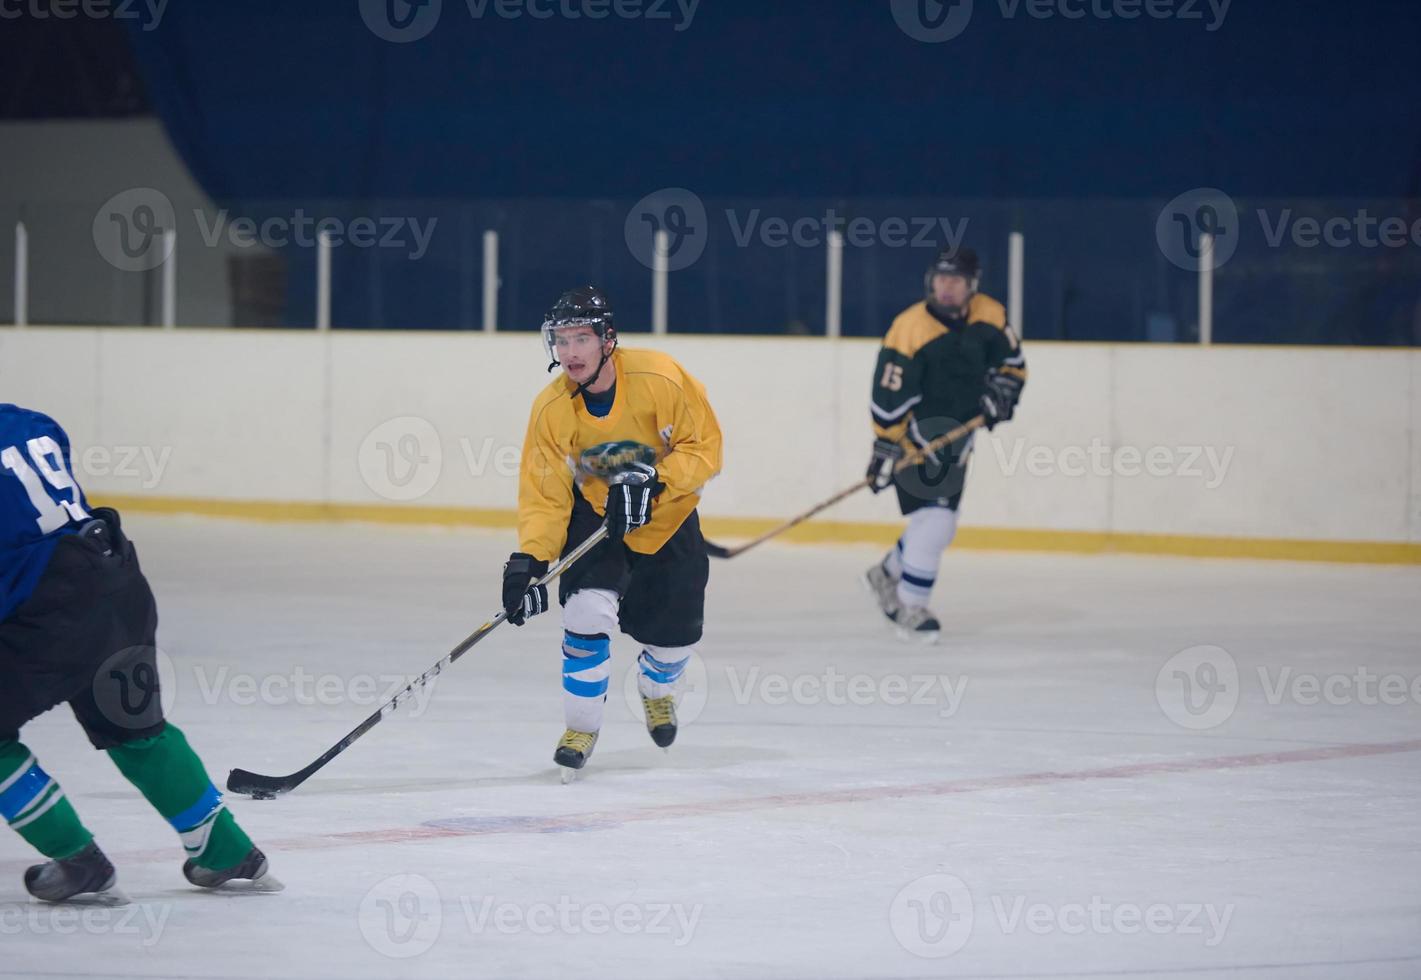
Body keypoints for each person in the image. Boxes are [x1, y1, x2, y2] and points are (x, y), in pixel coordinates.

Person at [0, 403, 278, 903]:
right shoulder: (29, 421)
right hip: (113, 579)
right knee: (136, 732)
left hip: (47, 612)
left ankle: (77, 860)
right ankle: (228, 851)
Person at [501, 286, 723, 777]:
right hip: (597, 518)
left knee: (676, 641)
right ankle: (581, 727)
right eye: (561, 340)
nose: (570, 352)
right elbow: (545, 494)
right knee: (584, 611)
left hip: (668, 520)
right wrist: (531, 561)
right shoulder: (551, 408)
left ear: (607, 340)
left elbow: (705, 450)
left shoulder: (661, 378)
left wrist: (656, 479)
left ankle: (655, 686)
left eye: (581, 338)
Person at [863, 248, 1028, 641]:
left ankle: (885, 573)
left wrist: (1001, 393)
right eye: (941, 279)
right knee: (935, 521)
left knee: (938, 522)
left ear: (972, 285)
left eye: (955, 280)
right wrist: (887, 444)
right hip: (913, 439)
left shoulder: (989, 314)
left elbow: (1012, 366)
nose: (947, 288)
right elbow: (887, 397)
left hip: (959, 439)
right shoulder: (909, 329)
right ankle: (911, 606)